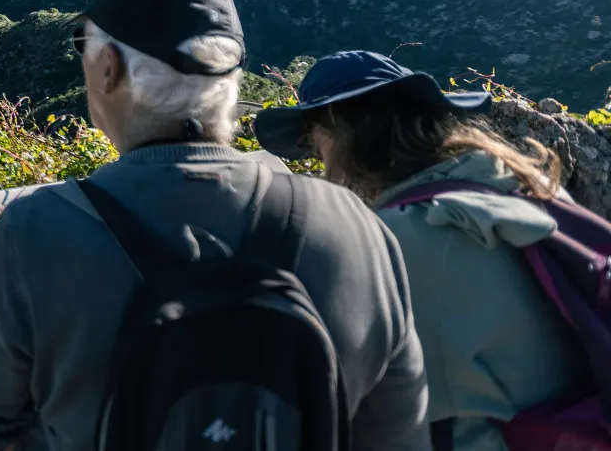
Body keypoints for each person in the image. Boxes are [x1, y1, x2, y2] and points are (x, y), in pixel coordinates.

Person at [0, 0, 430, 451]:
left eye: (81, 49)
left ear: (108, 67)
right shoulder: (353, 224)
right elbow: (400, 430)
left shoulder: (38, 231)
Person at [253, 50, 590, 451]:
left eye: (313, 136)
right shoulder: (521, 187)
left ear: (340, 132)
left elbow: (339, 392)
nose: (316, 154)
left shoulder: (398, 239)